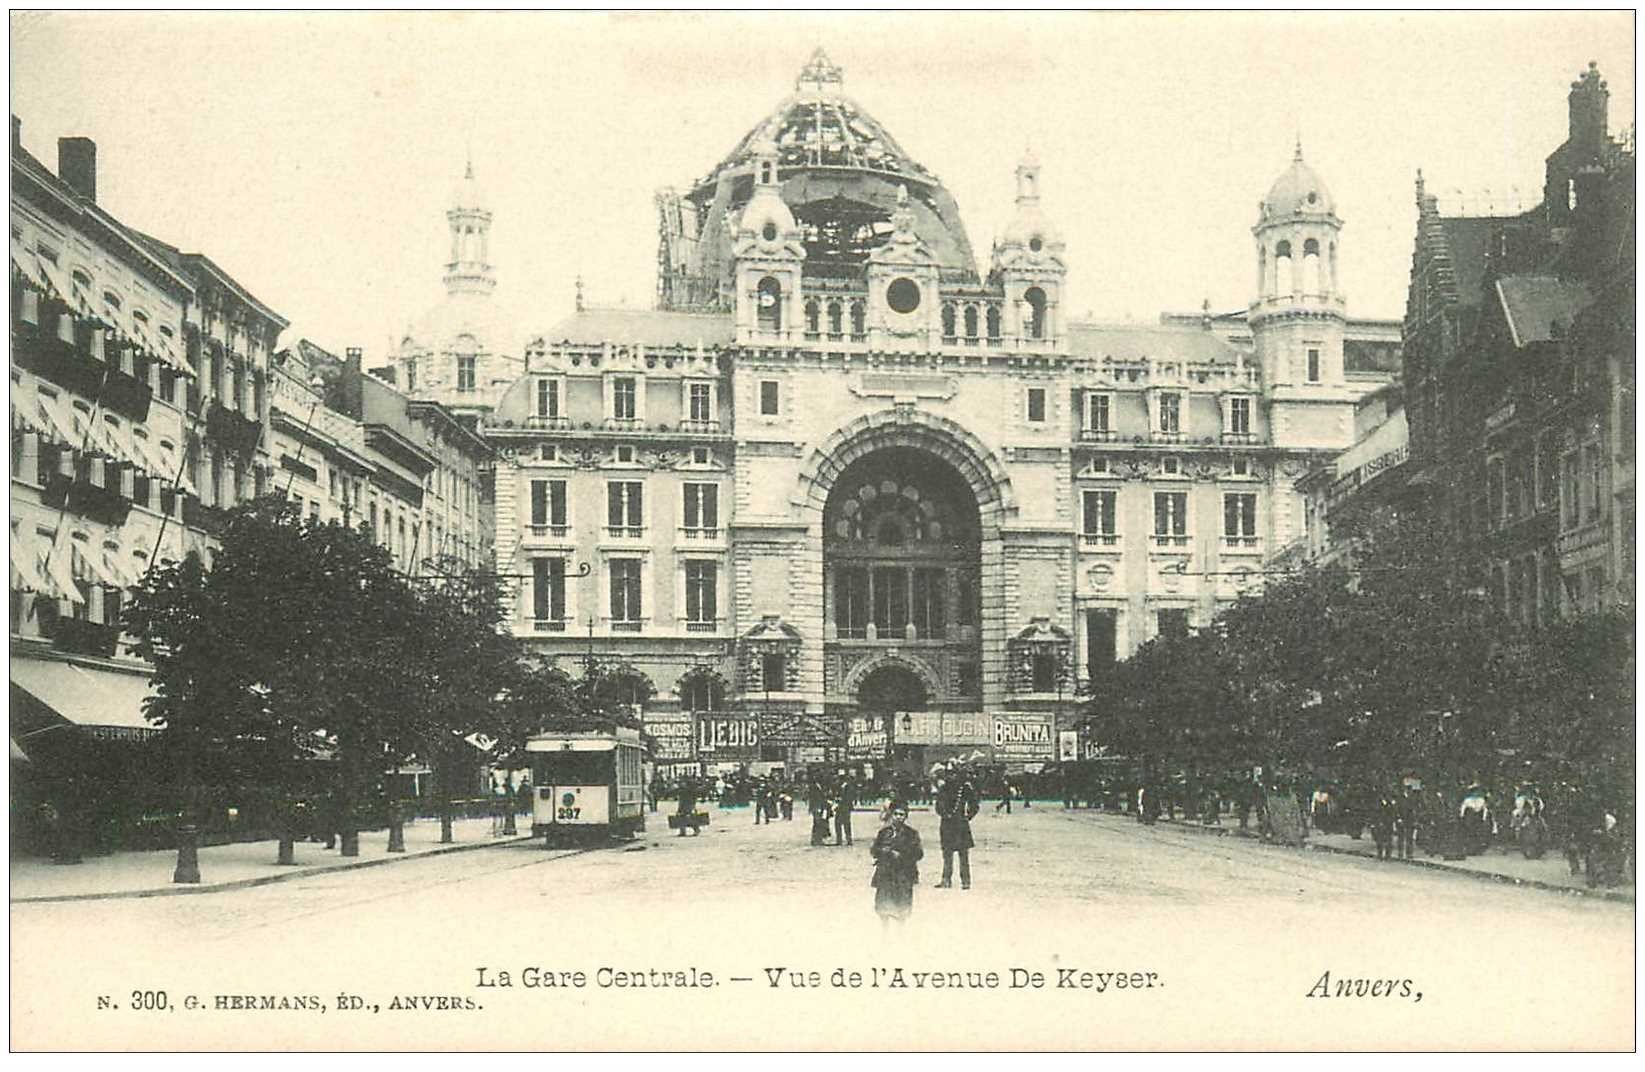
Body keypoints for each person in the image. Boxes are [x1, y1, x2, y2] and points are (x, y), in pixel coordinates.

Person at [869, 801, 923, 927]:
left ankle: (901, 930)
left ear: (906, 817)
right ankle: (885, 930)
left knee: (902, 904)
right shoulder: (883, 833)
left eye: (902, 814)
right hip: (886, 873)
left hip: (903, 873)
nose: (898, 817)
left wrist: (902, 855)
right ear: (891, 815)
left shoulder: (911, 834)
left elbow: (919, 854)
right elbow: (874, 850)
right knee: (884, 904)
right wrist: (883, 851)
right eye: (896, 814)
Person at [933, 766, 980, 890]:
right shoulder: (943, 789)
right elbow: (938, 806)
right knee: (947, 854)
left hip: (961, 825)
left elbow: (974, 805)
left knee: (963, 854)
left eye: (954, 774)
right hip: (947, 825)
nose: (951, 777)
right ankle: (946, 880)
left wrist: (968, 816)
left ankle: (965, 881)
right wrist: (945, 814)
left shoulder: (964, 789)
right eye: (949, 774)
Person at [1396, 785, 1419, 860]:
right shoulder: (1400, 798)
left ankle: (1409, 853)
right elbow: (1397, 809)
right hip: (1402, 819)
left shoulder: (1413, 799)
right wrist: (1398, 818)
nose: (1409, 791)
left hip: (1410, 820)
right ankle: (1400, 852)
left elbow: (1414, 810)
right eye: (1407, 790)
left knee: (1409, 837)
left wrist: (1415, 820)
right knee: (1401, 837)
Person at [834, 772, 857, 846]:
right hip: (841, 807)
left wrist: (840, 800)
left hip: (845, 807)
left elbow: (849, 798)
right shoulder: (840, 787)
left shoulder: (849, 787)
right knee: (840, 824)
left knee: (844, 824)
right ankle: (841, 840)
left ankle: (846, 840)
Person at [809, 777, 832, 847]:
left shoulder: (819, 787)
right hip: (817, 808)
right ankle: (817, 839)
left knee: (819, 823)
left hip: (820, 807)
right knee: (818, 823)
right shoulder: (814, 788)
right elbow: (814, 798)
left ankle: (817, 838)